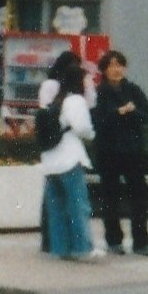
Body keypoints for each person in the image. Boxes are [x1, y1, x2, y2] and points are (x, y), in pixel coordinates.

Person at [91, 49, 148, 257]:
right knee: (110, 196)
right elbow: (97, 120)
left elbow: (147, 113)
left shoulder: (133, 90)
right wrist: (119, 112)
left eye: (119, 65)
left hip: (133, 151)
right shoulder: (98, 92)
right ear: (104, 70)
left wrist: (132, 112)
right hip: (108, 152)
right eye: (111, 65)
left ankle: (141, 242)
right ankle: (113, 240)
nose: (116, 69)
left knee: (139, 196)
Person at [36, 51, 97, 261]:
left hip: (50, 161)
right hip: (70, 159)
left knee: (56, 208)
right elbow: (83, 129)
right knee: (78, 205)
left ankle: (60, 248)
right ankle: (83, 248)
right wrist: (92, 134)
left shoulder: (55, 101)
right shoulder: (76, 101)